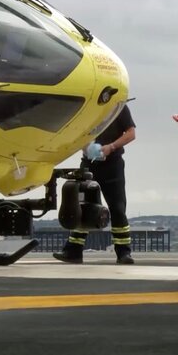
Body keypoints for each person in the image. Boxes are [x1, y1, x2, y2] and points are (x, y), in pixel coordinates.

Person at [53, 105, 137, 265]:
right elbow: (74, 132)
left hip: (112, 164)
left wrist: (111, 147)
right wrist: (85, 147)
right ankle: (73, 251)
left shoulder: (118, 107)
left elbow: (131, 133)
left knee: (118, 208)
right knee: (81, 207)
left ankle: (123, 253)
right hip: (88, 164)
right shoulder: (87, 104)